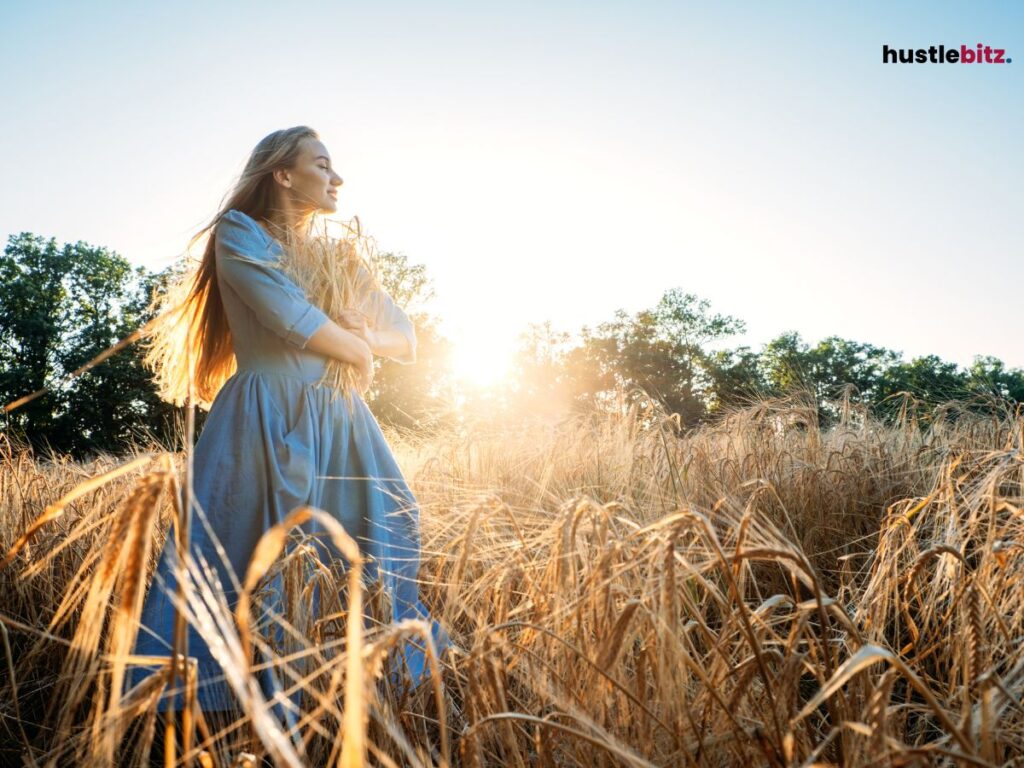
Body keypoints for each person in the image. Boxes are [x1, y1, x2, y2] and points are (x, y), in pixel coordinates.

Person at [129, 126, 450, 719]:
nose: (337, 178)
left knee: (383, 531)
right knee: (242, 553)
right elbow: (289, 316)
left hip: (343, 420)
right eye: (322, 164)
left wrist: (368, 337)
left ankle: (363, 691)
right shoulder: (239, 233)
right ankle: (223, 704)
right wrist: (355, 352)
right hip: (263, 417)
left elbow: (404, 338)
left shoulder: (340, 255)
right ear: (282, 173)